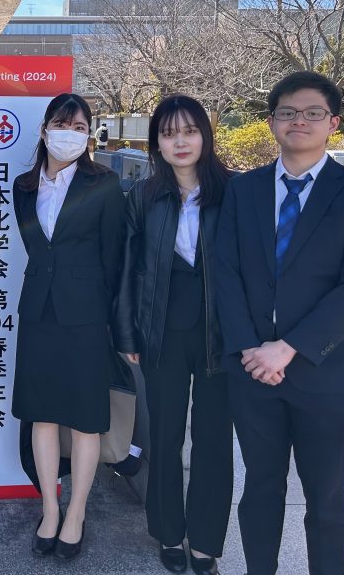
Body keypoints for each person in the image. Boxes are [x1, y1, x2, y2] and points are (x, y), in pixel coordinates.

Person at [216, 71, 344, 575]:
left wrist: (287, 347)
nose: (299, 121)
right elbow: (225, 272)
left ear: (333, 123)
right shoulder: (243, 190)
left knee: (327, 496)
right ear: (272, 121)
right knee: (260, 488)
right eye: (288, 112)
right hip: (253, 370)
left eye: (313, 113)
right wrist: (251, 349)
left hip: (323, 371)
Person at [116, 94, 233, 575]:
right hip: (160, 331)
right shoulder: (144, 196)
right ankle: (168, 531)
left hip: (222, 335)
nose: (179, 142)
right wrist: (127, 334)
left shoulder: (234, 192)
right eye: (168, 134)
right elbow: (127, 270)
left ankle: (205, 540)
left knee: (213, 440)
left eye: (189, 131)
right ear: (156, 144)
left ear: (205, 135)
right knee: (164, 436)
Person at [11, 92, 127, 561]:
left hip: (86, 316)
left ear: (89, 135)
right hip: (38, 311)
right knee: (42, 415)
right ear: (44, 131)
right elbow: (36, 248)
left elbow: (115, 258)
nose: (70, 134)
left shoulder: (105, 184)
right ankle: (50, 508)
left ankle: (76, 512)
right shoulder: (23, 186)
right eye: (62, 124)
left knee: (84, 419)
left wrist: (114, 325)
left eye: (80, 127)